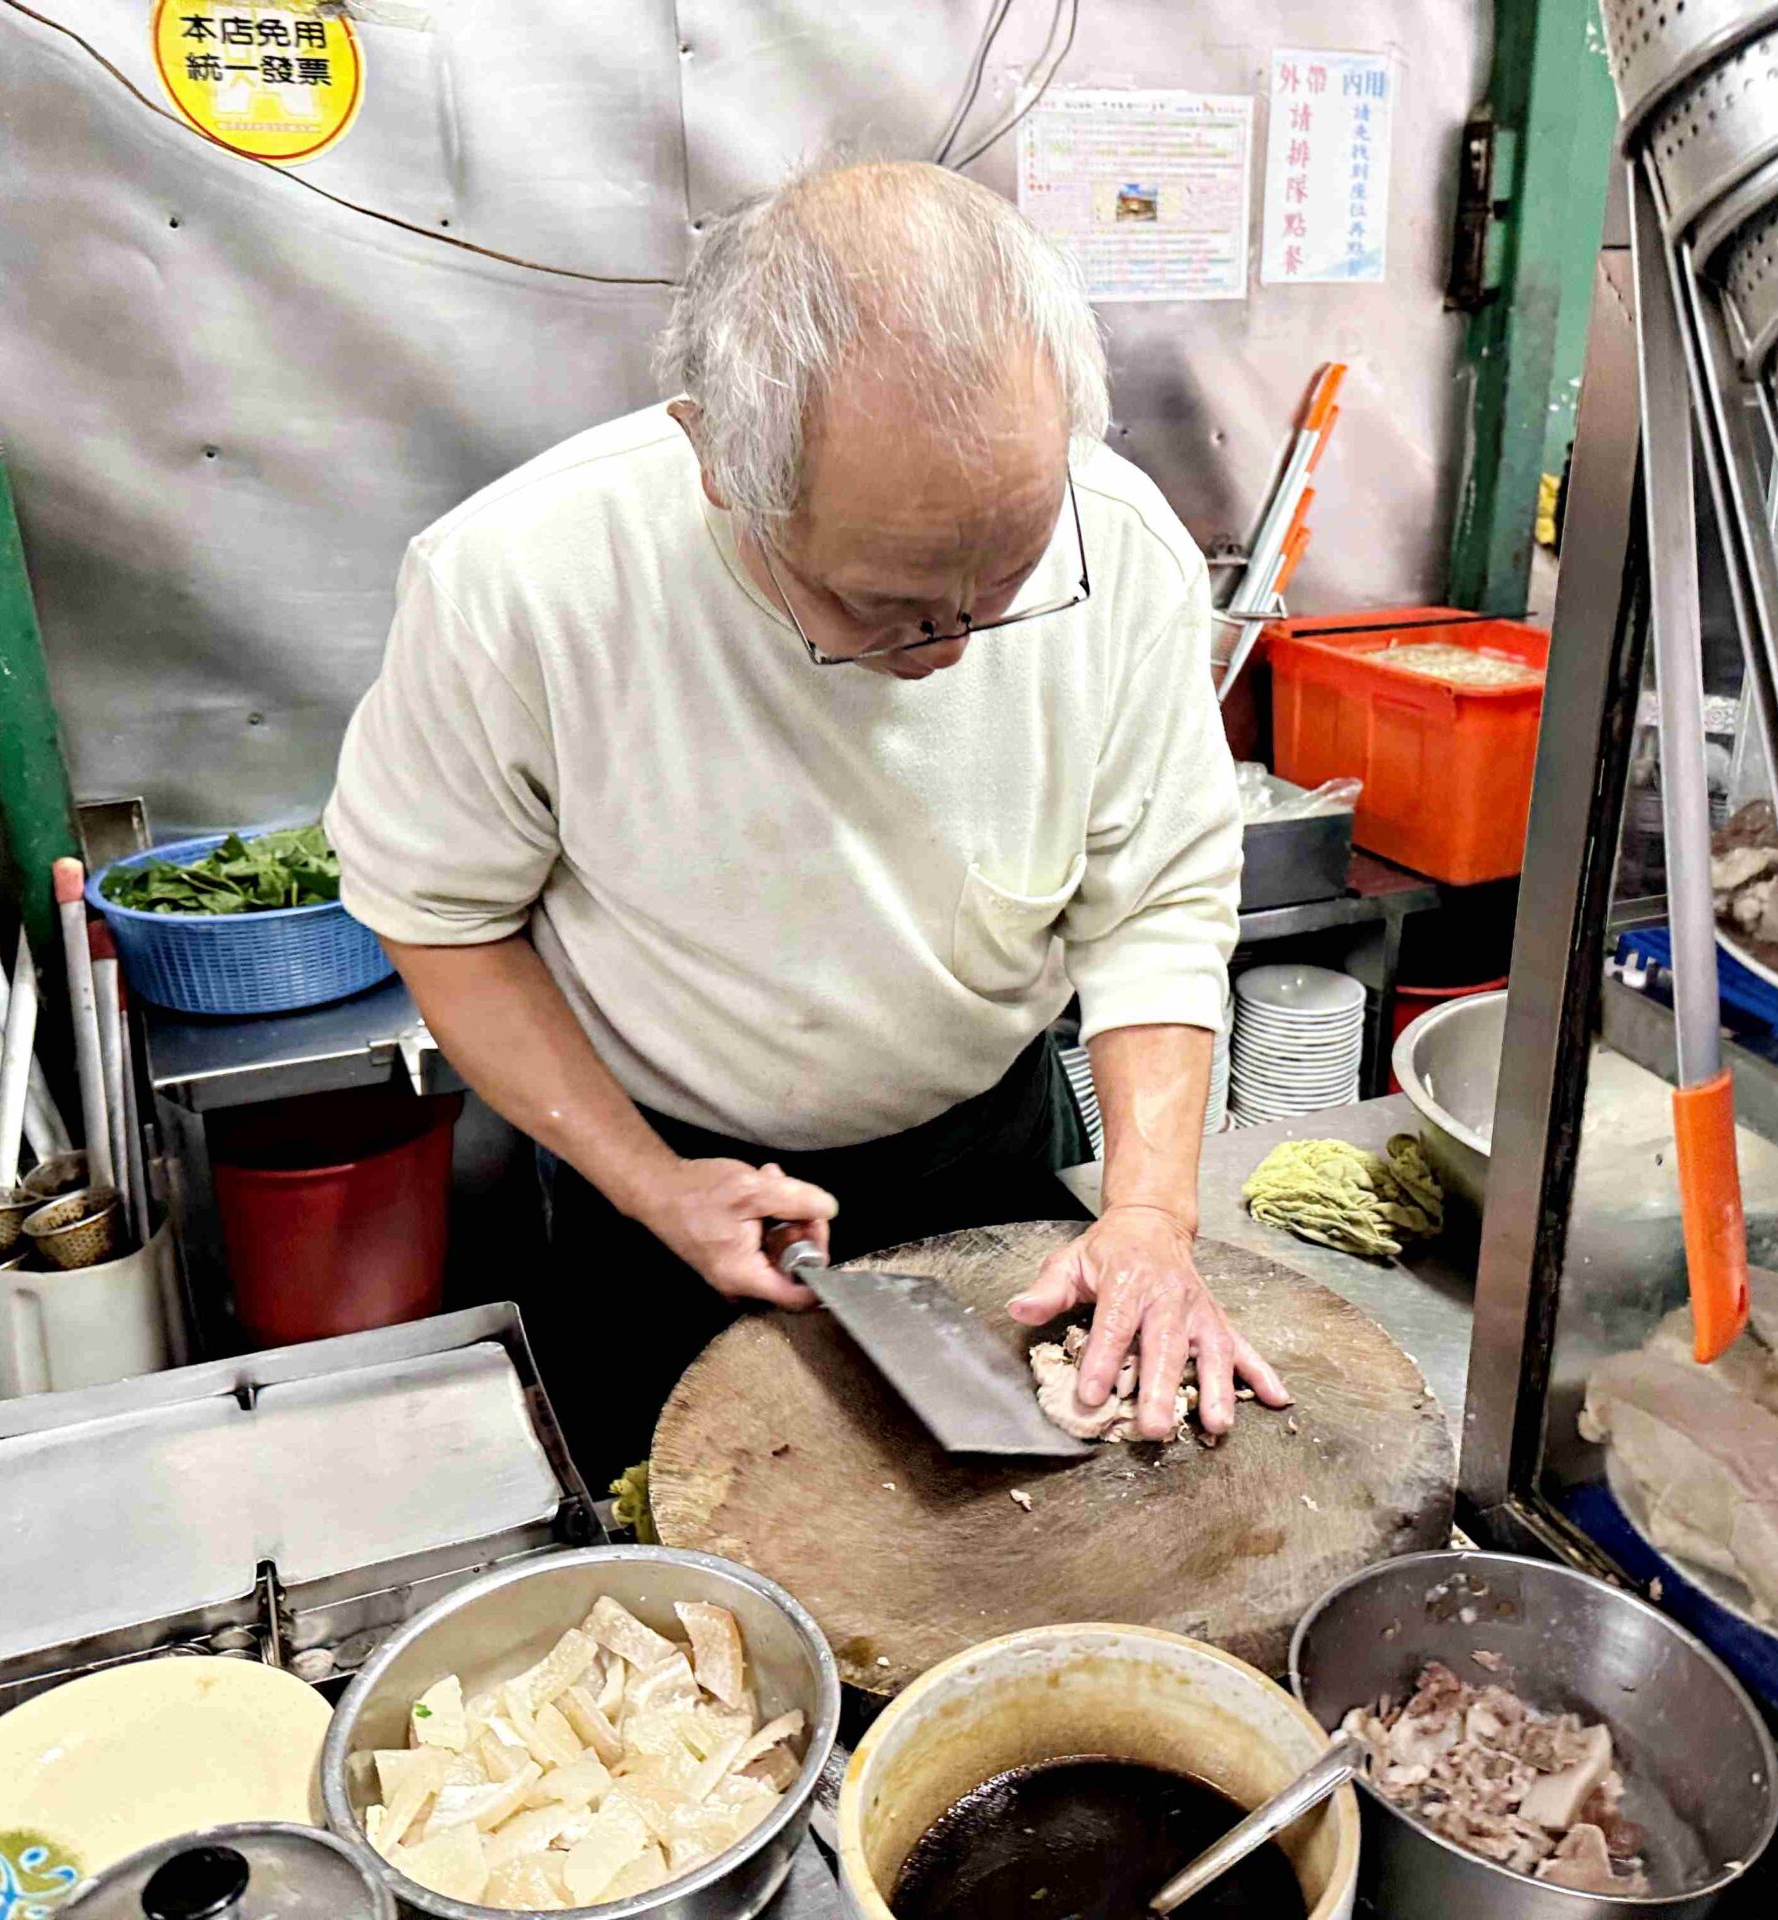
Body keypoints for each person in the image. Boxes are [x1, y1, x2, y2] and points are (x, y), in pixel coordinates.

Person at [328, 160, 1289, 1477]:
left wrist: (1150, 1214)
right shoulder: (524, 582)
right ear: (724, 468)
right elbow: (442, 918)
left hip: (988, 1151)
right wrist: (650, 1182)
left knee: (1034, 1541)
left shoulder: (1117, 544)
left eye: (1002, 587)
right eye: (889, 610)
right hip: (656, 1182)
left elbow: (1162, 901)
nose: (954, 650)